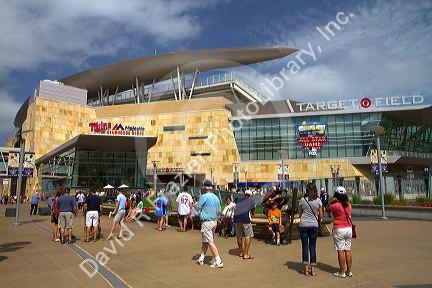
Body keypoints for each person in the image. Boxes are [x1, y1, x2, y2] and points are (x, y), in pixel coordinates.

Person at [194, 180, 224, 268]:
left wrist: (196, 202)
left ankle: (218, 261)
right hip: (214, 222)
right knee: (205, 241)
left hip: (207, 222)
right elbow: (219, 211)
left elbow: (197, 208)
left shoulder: (204, 196)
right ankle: (201, 257)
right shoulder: (216, 197)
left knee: (210, 242)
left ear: (204, 187)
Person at [326, 186, 353, 278]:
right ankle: (349, 271)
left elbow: (327, 209)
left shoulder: (335, 205)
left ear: (336, 195)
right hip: (348, 228)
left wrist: (331, 202)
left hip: (339, 229)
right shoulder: (348, 204)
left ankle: (342, 272)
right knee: (347, 250)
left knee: (340, 251)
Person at [298, 182, 323, 276]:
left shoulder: (302, 200)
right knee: (312, 247)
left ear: (306, 190)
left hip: (303, 225)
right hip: (314, 225)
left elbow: (300, 214)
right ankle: (312, 270)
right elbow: (320, 215)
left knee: (304, 246)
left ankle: (306, 270)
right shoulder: (318, 201)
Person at [233, 189, 255, 259]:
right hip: (245, 219)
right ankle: (246, 254)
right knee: (248, 235)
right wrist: (253, 213)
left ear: (244, 194)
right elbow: (253, 211)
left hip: (236, 219)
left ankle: (240, 252)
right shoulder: (251, 201)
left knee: (239, 236)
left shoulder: (239, 200)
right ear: (250, 195)